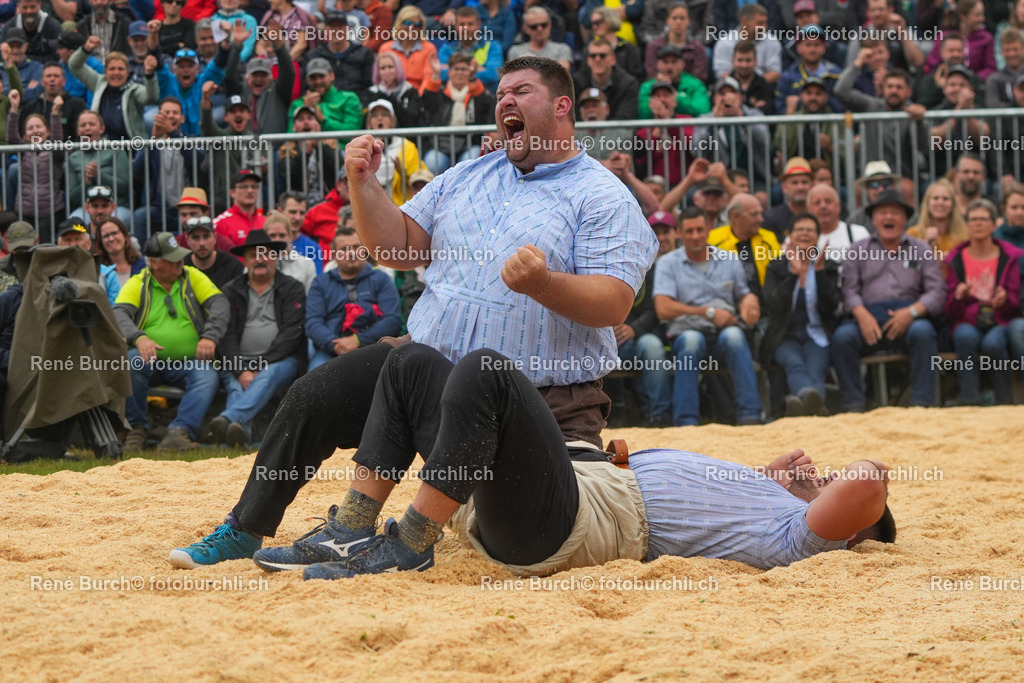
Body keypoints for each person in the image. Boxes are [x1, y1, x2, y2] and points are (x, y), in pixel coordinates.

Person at [167, 56, 657, 569]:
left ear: (562, 106)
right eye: (501, 94)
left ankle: (401, 535)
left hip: (536, 412)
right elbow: (401, 247)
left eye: (522, 91)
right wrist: (363, 183)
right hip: (427, 384)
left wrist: (544, 284)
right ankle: (246, 530)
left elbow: (614, 302)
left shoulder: (601, 195)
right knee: (318, 393)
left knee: (438, 375)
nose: (505, 101)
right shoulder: (468, 175)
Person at [255, 343, 893, 580]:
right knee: (410, 363)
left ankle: (411, 541)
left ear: (853, 528)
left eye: (835, 491)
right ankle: (353, 525)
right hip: (560, 489)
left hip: (576, 522)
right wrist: (768, 479)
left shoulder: (804, 542)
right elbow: (708, 507)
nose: (829, 476)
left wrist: (816, 496)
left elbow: (870, 479)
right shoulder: (778, 514)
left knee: (488, 372)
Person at [832, 190, 947, 413]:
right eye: (883, 212)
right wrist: (861, 314)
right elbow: (848, 289)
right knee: (843, 338)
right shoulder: (857, 250)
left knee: (924, 333)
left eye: (895, 213)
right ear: (873, 219)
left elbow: (937, 291)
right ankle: (853, 406)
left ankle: (922, 405)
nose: (889, 217)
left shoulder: (922, 249)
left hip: (910, 316)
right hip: (867, 317)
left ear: (905, 219)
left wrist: (912, 312)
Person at [114, 232, 228, 452]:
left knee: (207, 376)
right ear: (154, 263)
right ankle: (136, 429)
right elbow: (118, 314)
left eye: (180, 256)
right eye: (172, 258)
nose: (180, 262)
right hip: (150, 359)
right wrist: (139, 337)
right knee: (131, 362)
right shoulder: (138, 282)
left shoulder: (192, 275)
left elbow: (220, 304)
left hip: (190, 361)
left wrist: (210, 336)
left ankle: (180, 432)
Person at [654, 209, 763, 426]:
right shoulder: (667, 263)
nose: (695, 236)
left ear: (709, 230)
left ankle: (751, 416)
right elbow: (662, 308)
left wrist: (749, 300)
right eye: (689, 231)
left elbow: (742, 293)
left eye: (699, 230)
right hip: (686, 332)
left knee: (734, 336)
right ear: (679, 233)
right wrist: (708, 312)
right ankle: (686, 421)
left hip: (724, 332)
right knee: (692, 341)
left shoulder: (730, 260)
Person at [206, 229, 306, 447]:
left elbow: (291, 334)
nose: (260, 259)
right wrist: (241, 370)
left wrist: (261, 365)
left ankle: (228, 419)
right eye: (253, 255)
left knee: (268, 375)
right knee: (235, 384)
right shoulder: (231, 290)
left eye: (266, 254)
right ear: (245, 260)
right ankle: (241, 434)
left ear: (276, 257)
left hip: (280, 361)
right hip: (239, 361)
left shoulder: (293, 288)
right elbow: (226, 335)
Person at [944, 199, 1023, 406]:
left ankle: (1004, 402)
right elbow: (950, 309)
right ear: (967, 224)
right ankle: (970, 400)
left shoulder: (1009, 256)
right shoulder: (956, 258)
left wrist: (1004, 299)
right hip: (968, 320)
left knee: (993, 343)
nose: (978, 224)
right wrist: (958, 297)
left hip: (1000, 320)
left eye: (983, 219)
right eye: (973, 219)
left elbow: (1015, 302)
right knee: (964, 335)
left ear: (993, 224)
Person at [763, 213, 841, 417]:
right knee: (794, 364)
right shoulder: (777, 266)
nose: (805, 234)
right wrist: (793, 276)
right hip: (784, 336)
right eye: (800, 229)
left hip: (816, 334)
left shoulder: (829, 265)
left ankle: (798, 404)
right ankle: (815, 408)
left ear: (818, 236)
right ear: (789, 235)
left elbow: (832, 306)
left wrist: (821, 273)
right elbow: (773, 305)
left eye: (810, 230)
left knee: (816, 371)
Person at [305, 227, 402, 371]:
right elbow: (313, 322)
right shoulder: (321, 283)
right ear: (335, 254)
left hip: (372, 349)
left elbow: (392, 320)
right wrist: (336, 344)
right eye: (344, 249)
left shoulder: (381, 280)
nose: (351, 253)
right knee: (312, 382)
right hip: (330, 350)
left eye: (356, 247)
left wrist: (358, 340)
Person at [70, 36, 159, 141]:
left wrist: (149, 74)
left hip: (131, 147)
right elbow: (74, 65)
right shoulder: (98, 82)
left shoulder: (134, 90)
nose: (116, 73)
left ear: (127, 73)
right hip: (103, 148)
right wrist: (86, 49)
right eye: (112, 69)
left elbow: (151, 97)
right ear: (105, 71)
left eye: (120, 69)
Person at [421, 52, 495, 175]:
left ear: (469, 72)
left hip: (470, 144)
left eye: (464, 69)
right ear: (449, 72)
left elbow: (486, 106)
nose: (460, 72)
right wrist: (435, 74)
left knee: (470, 163)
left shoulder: (477, 93)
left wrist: (473, 79)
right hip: (440, 145)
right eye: (456, 69)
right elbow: (426, 102)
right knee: (433, 163)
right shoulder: (441, 94)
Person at [6, 88, 62, 242]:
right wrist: (14, 108)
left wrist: (55, 113)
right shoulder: (24, 151)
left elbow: (58, 140)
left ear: (48, 131)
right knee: (24, 247)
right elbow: (11, 137)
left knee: (44, 247)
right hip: (25, 211)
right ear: (24, 136)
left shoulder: (54, 151)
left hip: (50, 211)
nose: (35, 131)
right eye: (30, 128)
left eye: (39, 127)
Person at [708, 193, 780, 302]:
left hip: (765, 309)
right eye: (754, 214)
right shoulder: (713, 240)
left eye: (761, 213)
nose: (760, 219)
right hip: (726, 307)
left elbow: (779, 274)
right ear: (735, 216)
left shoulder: (768, 238)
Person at [365, 98, 425, 205]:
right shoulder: (365, 146)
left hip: (399, 204)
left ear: (392, 119)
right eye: (374, 115)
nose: (379, 118)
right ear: (369, 121)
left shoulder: (407, 146)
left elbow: (420, 179)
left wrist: (401, 171)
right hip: (370, 203)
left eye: (384, 115)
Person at [571, 37, 639, 121]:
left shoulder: (628, 84)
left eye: (602, 56)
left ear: (613, 59)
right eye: (593, 56)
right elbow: (573, 117)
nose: (598, 59)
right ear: (588, 60)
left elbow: (625, 117)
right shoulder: (574, 83)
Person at [377, 6, 437, 94]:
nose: (411, 27)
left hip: (418, 96)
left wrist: (418, 98)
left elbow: (428, 79)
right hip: (391, 93)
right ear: (399, 24)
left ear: (421, 28)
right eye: (407, 23)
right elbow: (382, 78)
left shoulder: (429, 49)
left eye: (416, 25)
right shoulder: (385, 48)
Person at [643, 2, 708, 82]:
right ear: (667, 21)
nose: (678, 22)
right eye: (674, 18)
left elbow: (699, 78)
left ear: (689, 21)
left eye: (682, 18)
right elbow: (652, 76)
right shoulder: (654, 47)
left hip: (689, 90)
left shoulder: (698, 48)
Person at [807, 183, 869, 262]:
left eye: (828, 201)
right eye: (817, 203)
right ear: (808, 209)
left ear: (838, 206)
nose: (823, 206)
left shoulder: (859, 234)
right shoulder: (798, 238)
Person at [907, 179, 968, 257]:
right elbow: (907, 265)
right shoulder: (913, 234)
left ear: (953, 205)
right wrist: (925, 245)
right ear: (927, 204)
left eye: (945, 199)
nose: (940, 202)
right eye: (935, 198)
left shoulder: (965, 235)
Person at [182, 215, 244, 289]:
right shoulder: (181, 267)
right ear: (187, 240)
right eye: (196, 238)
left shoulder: (232, 267)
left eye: (206, 236)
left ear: (215, 237)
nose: (202, 243)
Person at [367, 51, 422, 129]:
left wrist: (390, 96)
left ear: (398, 69)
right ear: (377, 72)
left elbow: (411, 120)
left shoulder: (410, 91)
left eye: (390, 67)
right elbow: (367, 119)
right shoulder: (371, 93)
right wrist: (382, 92)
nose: (387, 71)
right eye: (382, 68)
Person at [508, 6, 572, 71]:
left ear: (549, 24)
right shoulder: (515, 51)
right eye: (534, 27)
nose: (540, 29)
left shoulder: (562, 49)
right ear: (526, 29)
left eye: (544, 25)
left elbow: (563, 74)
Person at [263, 212, 315, 291]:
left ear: (290, 236)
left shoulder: (307, 264)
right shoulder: (257, 264)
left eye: (282, 235)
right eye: (272, 235)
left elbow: (311, 298)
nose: (277, 240)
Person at [763, 157, 813, 240]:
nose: (800, 187)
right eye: (794, 183)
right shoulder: (771, 218)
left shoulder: (822, 215)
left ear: (812, 185)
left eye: (804, 182)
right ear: (784, 187)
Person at [214, 169, 266, 248]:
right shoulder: (220, 224)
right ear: (232, 192)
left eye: (254, 186)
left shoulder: (265, 221)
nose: (250, 190)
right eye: (244, 187)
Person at [94, 216, 144, 291]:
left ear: (124, 235)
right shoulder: (98, 270)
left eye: (114, 233)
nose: (111, 238)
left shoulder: (142, 265)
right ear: (100, 241)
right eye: (106, 236)